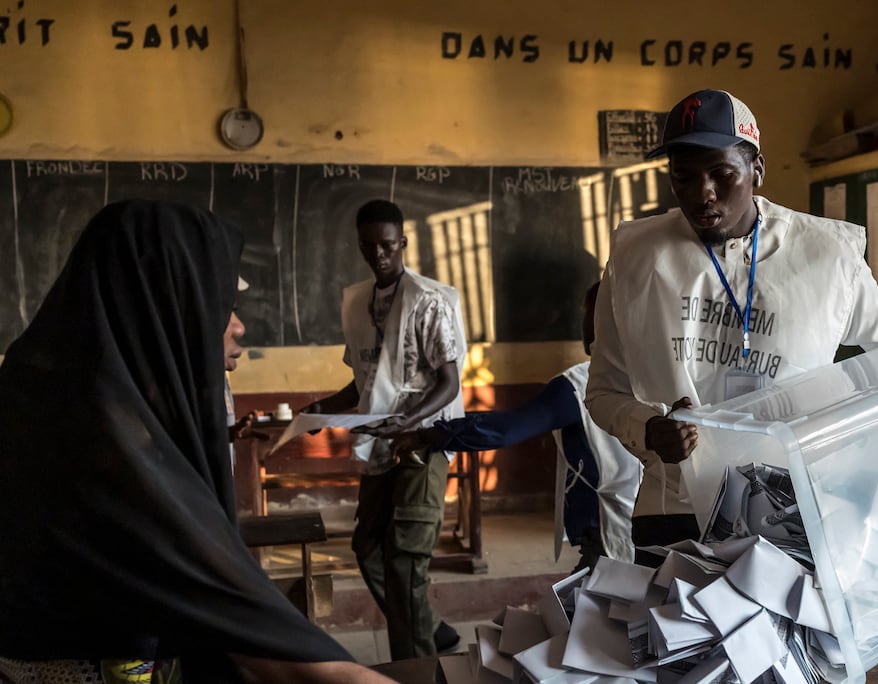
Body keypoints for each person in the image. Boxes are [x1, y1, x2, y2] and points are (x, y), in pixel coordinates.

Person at [0, 199, 393, 683]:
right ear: (161, 308)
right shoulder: (108, 456)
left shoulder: (52, 398)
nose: (238, 325)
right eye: (221, 306)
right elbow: (287, 662)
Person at [585, 89, 878, 554]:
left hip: (791, 504)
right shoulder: (636, 257)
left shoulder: (825, 254)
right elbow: (603, 393)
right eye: (684, 177)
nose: (703, 194)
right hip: (673, 509)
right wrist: (650, 427)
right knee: (669, 628)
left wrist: (844, 450)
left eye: (722, 174)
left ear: (756, 168)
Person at [367, 282, 641, 572]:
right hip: (646, 522)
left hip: (611, 534)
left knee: (586, 609)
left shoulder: (578, 385)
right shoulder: (653, 380)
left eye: (588, 314)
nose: (583, 323)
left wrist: (430, 434)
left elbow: (505, 429)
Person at [301, 199, 467, 660]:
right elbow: (363, 383)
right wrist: (318, 410)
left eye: (388, 246)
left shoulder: (427, 301)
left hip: (422, 443)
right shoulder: (358, 302)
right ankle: (433, 632)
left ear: (403, 244)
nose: (379, 255)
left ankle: (414, 666)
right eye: (369, 246)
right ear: (359, 245)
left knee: (404, 559)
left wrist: (409, 423)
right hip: (378, 445)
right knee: (368, 547)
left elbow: (449, 383)